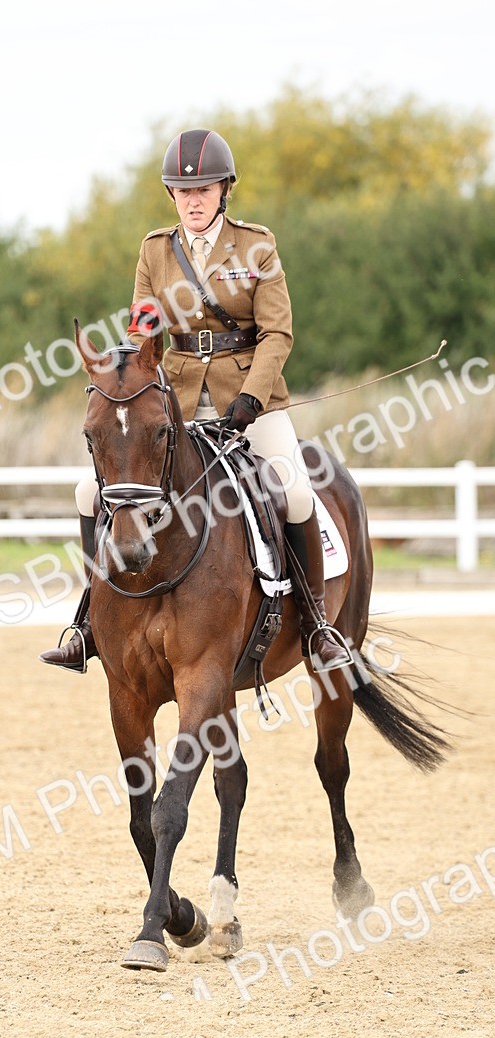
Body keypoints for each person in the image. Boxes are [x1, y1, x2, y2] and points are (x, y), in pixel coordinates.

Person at [40, 127, 351, 675]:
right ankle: (89, 621)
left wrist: (252, 397)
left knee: (295, 491)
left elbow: (278, 333)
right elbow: (142, 329)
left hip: (248, 399)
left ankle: (317, 624)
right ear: (172, 197)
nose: (195, 200)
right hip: (173, 398)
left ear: (224, 191)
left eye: (205, 189)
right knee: (90, 489)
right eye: (184, 192)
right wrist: (130, 379)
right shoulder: (155, 251)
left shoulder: (257, 244)